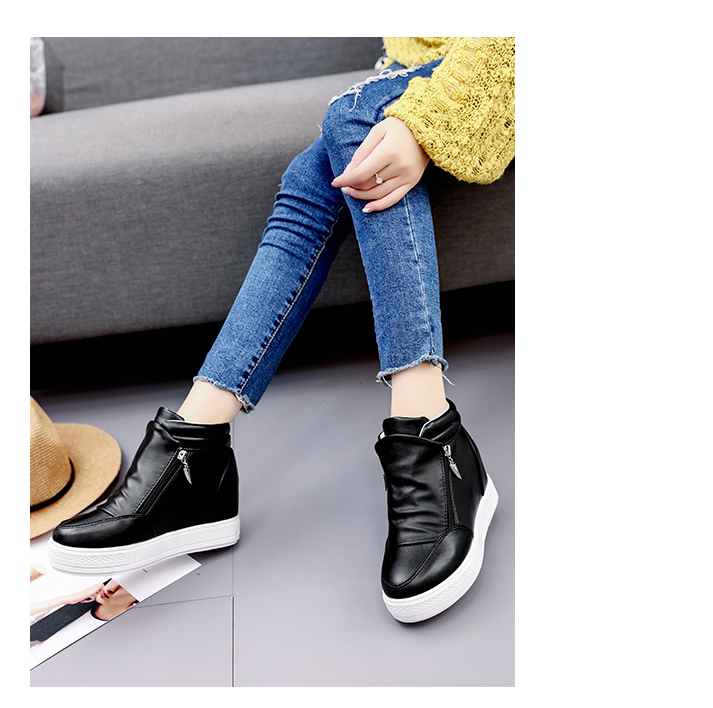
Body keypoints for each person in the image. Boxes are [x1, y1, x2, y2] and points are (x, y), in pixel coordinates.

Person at [48, 37, 516, 623]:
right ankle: (196, 446)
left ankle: (427, 429)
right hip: (420, 60)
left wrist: (429, 123)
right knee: (312, 177)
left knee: (355, 118)